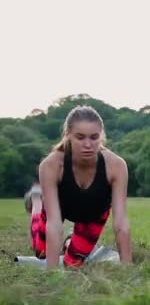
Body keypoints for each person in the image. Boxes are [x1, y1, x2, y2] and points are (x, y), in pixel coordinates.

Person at [24, 105, 132, 269]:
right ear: (68, 135)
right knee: (42, 253)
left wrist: (127, 267)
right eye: (80, 137)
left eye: (94, 137)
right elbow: (54, 223)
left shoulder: (116, 165)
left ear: (101, 136)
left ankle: (69, 242)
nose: (88, 144)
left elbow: (121, 222)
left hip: (94, 214)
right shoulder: (51, 165)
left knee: (72, 265)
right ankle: (37, 200)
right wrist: (52, 273)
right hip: (60, 208)